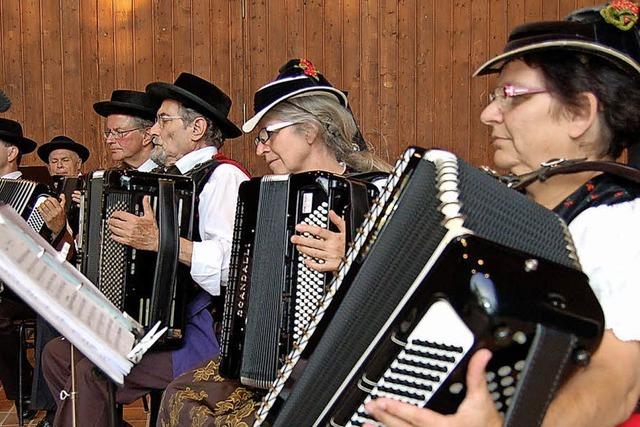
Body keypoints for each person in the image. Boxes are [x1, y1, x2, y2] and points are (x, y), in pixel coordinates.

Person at [364, 3, 640, 427]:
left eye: (511, 95)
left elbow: (618, 382)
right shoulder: (506, 211)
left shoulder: (618, 223)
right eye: (494, 97)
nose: (488, 114)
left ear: (581, 114)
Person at [156, 59, 392, 426]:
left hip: (346, 368)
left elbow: (407, 290)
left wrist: (355, 258)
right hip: (271, 363)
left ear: (310, 131)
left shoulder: (377, 192)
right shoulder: (266, 196)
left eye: (268, 134)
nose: (261, 149)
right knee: (180, 395)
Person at [42, 72, 249, 426]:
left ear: (197, 128)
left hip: (200, 331)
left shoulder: (224, 178)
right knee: (57, 354)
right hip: (155, 325)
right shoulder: (169, 178)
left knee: (93, 371)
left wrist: (160, 242)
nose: (154, 131)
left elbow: (231, 266)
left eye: (163, 120)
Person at [0, 118, 41, 421]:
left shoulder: (35, 194)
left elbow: (37, 252)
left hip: (20, 288)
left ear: (12, 151)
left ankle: (24, 390)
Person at [94, 89, 159, 171]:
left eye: (119, 132)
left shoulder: (169, 177)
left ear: (147, 136)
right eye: (109, 132)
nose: (109, 140)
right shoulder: (110, 178)